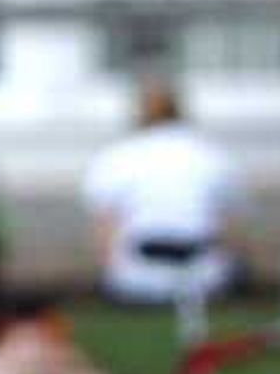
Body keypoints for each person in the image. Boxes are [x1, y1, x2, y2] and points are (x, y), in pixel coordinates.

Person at [82, 74, 242, 309]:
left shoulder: (117, 156)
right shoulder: (212, 154)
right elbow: (229, 225)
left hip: (136, 279)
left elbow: (106, 226)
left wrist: (110, 275)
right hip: (205, 276)